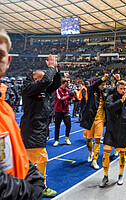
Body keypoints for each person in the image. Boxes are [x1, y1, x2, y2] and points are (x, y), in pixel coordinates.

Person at [0, 27, 45, 199]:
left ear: (8, 61)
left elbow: (15, 152)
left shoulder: (5, 109)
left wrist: (33, 174)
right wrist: (31, 190)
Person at [20, 54, 61, 197]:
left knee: (35, 159)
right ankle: (38, 186)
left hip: (40, 128)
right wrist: (49, 68)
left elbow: (55, 83)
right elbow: (47, 81)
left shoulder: (42, 89)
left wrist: (56, 69)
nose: (46, 82)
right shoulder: (29, 88)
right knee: (38, 158)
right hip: (32, 129)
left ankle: (32, 185)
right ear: (37, 79)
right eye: (43, 79)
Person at [100, 80, 126, 187]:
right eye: (121, 88)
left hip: (123, 131)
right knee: (106, 152)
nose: (123, 90)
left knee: (122, 154)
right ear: (117, 88)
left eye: (124, 89)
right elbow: (110, 108)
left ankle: (121, 175)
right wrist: (121, 101)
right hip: (111, 130)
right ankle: (105, 176)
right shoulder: (111, 98)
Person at [80, 73, 119, 170]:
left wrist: (117, 80)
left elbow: (115, 90)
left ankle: (95, 160)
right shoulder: (91, 90)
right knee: (88, 140)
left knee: (97, 140)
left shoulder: (105, 91)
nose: (104, 86)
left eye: (105, 84)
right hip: (90, 119)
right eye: (102, 84)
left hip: (100, 120)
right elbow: (92, 86)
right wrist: (102, 78)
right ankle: (90, 153)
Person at [53, 78, 73, 146]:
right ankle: (56, 140)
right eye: (68, 82)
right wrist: (68, 96)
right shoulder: (58, 90)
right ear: (64, 82)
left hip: (66, 110)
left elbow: (70, 98)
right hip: (58, 110)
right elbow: (60, 98)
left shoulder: (67, 90)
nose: (69, 84)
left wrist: (72, 96)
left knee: (69, 125)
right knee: (57, 126)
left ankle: (67, 138)